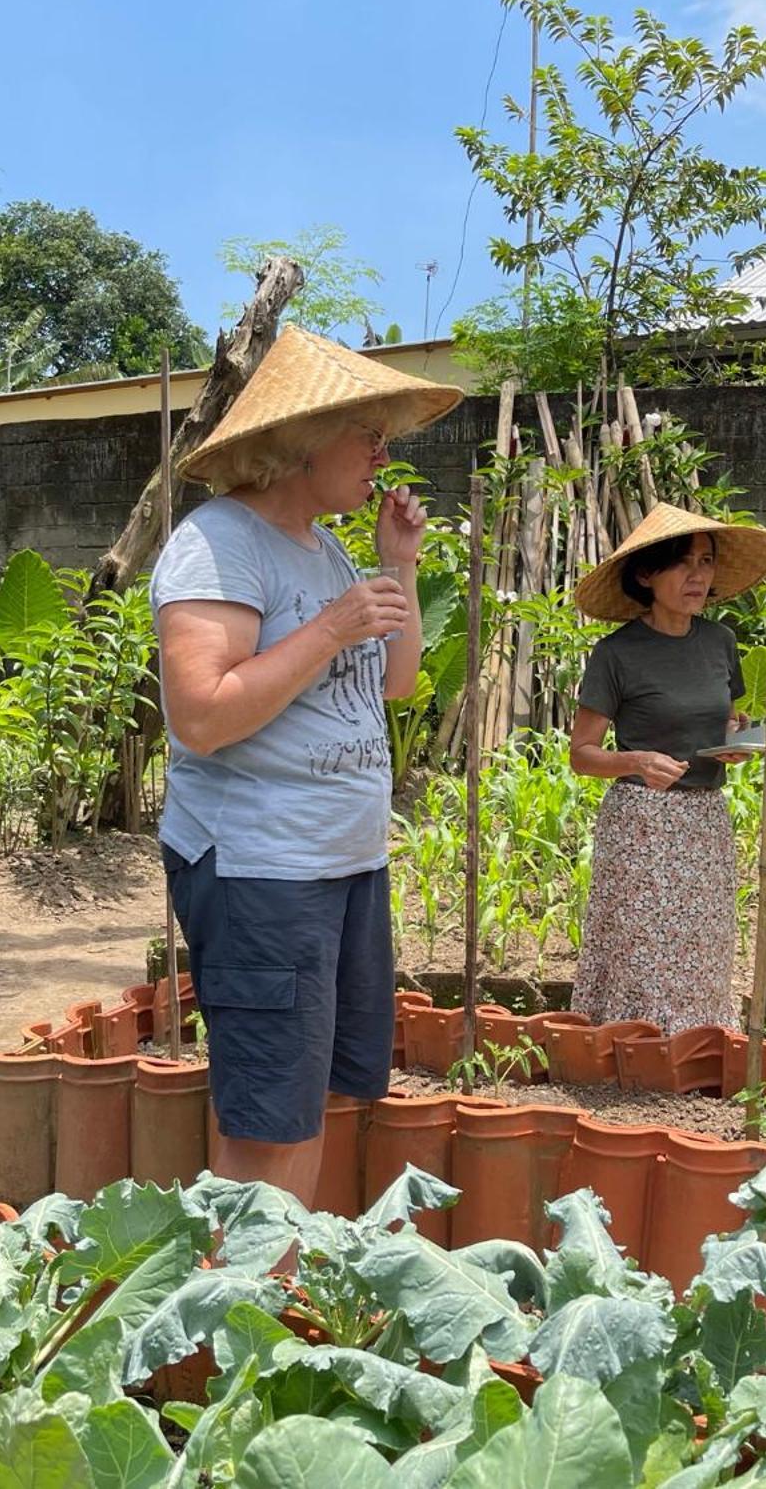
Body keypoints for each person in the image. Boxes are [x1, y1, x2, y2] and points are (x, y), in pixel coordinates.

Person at [151, 327, 460, 1204]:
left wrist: (397, 567)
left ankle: (283, 1291)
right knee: (263, 1119)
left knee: (316, 1098)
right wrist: (328, 628)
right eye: (365, 433)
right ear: (302, 441)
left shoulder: (325, 551)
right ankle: (238, 1320)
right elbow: (203, 716)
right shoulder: (218, 545)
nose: (382, 453)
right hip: (261, 869)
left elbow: (395, 687)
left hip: (343, 863)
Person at [568, 502, 766, 1032]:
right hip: (643, 821)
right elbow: (582, 754)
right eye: (682, 563)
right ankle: (631, 1051)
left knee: (702, 946)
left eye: (706, 563)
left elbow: (729, 714)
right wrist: (636, 761)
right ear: (646, 574)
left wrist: (737, 737)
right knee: (641, 948)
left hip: (705, 820)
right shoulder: (616, 654)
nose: (698, 576)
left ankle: (697, 1052)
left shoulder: (720, 642)